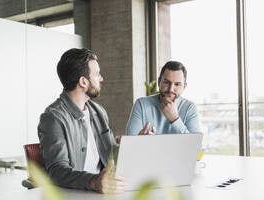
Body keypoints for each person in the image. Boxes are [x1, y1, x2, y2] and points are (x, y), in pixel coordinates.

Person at [38, 48, 125, 194]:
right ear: (83, 82)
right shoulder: (53, 117)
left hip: (105, 193)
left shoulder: (99, 112)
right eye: (97, 74)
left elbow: (111, 154)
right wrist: (93, 181)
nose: (101, 78)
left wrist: (136, 144)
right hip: (77, 194)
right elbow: (57, 171)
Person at [126, 61, 200, 136]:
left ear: (184, 86)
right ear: (159, 82)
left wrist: (175, 119)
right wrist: (139, 140)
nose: (171, 89)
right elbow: (129, 143)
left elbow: (195, 146)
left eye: (177, 84)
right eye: (166, 82)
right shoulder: (141, 105)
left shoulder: (190, 108)